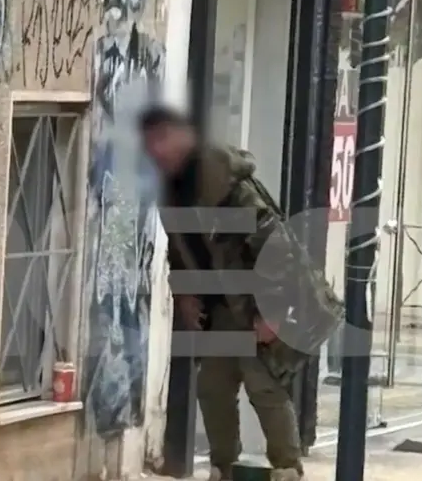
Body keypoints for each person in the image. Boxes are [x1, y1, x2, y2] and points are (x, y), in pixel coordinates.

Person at [138, 104, 326, 481]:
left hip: (256, 301)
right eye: (149, 143)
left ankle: (287, 468)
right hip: (221, 305)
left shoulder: (230, 190)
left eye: (161, 140)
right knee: (213, 386)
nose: (155, 151)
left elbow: (276, 248)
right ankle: (223, 467)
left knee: (264, 387)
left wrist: (273, 313)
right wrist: (185, 294)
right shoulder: (173, 191)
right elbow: (180, 250)